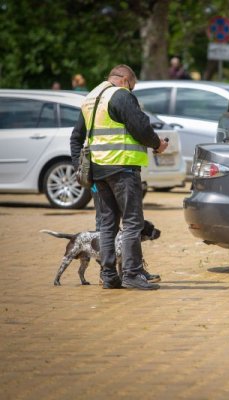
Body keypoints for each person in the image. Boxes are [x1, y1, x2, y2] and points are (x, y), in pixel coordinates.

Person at [70, 64, 168, 290]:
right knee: (133, 222)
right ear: (125, 80)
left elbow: (76, 138)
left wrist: (79, 168)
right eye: (132, 87)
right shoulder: (121, 95)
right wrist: (158, 144)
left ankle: (109, 275)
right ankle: (132, 275)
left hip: (98, 172)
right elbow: (141, 128)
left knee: (107, 226)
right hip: (122, 169)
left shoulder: (90, 99)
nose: (131, 91)